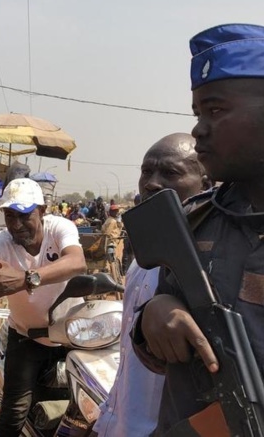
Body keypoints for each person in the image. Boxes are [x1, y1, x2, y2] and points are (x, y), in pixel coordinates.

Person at [133, 24, 264, 436]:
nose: (197, 130)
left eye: (215, 110)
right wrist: (153, 316)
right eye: (198, 113)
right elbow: (158, 348)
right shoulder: (193, 222)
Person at [92, 133, 211, 437]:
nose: (152, 183)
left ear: (206, 184)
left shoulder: (210, 266)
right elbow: (130, 361)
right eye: (147, 171)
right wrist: (107, 417)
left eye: (170, 173)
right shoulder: (144, 258)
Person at [0, 178, 87, 434]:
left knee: (84, 408)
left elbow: (77, 262)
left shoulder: (59, 228)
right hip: (26, 337)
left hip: (71, 336)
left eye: (24, 215)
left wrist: (25, 279)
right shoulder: (2, 243)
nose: (17, 225)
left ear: (42, 211)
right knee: (15, 411)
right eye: (10, 216)